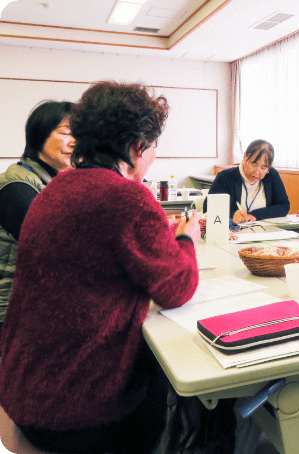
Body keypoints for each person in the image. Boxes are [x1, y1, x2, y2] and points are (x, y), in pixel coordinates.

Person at [0, 81, 221, 454]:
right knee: (186, 382)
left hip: (24, 391)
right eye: (153, 149)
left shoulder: (55, 187)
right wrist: (186, 239)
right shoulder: (126, 197)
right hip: (78, 411)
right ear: (137, 148)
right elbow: (178, 287)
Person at [0, 100, 74, 336]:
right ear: (38, 136)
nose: (75, 142)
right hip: (11, 314)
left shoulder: (52, 181)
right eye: (66, 133)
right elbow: (61, 250)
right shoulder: (17, 187)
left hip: (34, 303)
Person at [205, 139, 290, 223]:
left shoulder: (271, 175)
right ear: (245, 157)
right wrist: (231, 215)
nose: (257, 172)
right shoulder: (225, 177)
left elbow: (284, 206)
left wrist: (256, 215)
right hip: (233, 232)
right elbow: (208, 208)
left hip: (262, 231)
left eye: (263, 168)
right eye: (253, 165)